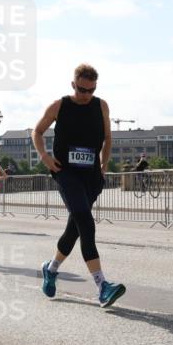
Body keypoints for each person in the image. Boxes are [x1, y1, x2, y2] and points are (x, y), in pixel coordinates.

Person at [33, 63, 126, 307]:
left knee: (74, 227)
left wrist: (103, 167)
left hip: (92, 176)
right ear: (73, 84)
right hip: (66, 173)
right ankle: (102, 286)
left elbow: (108, 138)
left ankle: (51, 269)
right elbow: (38, 131)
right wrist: (44, 156)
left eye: (91, 90)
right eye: (82, 90)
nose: (86, 95)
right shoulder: (59, 105)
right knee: (85, 220)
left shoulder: (101, 105)